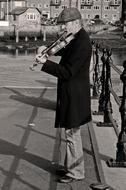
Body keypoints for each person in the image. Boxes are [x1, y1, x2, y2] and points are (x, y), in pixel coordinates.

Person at [36, 7, 92, 183]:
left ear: (76, 23)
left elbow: (68, 72)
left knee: (72, 133)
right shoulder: (76, 38)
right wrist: (49, 49)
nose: (63, 29)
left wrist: (45, 63)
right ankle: (71, 168)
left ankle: (76, 172)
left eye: (66, 25)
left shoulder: (82, 43)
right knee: (70, 132)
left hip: (75, 94)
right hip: (72, 92)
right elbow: (65, 50)